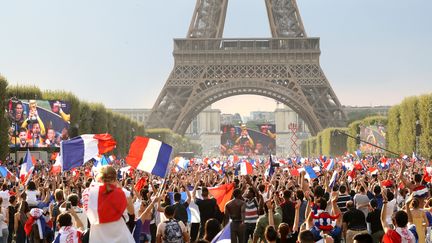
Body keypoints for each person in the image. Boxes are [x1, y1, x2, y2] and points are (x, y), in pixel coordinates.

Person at [82, 165, 135, 243]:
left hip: (98, 236)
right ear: (115, 178)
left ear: (99, 177)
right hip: (120, 235)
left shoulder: (88, 193)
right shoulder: (124, 193)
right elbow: (131, 213)